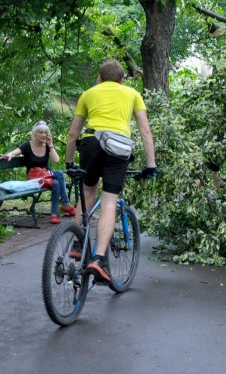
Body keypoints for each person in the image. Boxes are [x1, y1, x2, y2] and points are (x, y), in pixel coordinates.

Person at [65, 60, 157, 283]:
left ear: (99, 77)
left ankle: (77, 243)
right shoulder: (132, 94)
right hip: (118, 147)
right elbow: (145, 132)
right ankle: (98, 259)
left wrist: (69, 164)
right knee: (108, 201)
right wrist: (151, 165)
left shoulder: (88, 94)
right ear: (122, 79)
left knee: (87, 192)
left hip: (91, 143)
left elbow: (73, 133)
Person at [0, 120, 76, 224]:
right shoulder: (27, 145)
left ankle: (54, 214)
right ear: (35, 133)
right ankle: (66, 204)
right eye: (41, 132)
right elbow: (14, 153)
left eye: (46, 133)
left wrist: (51, 144)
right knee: (59, 174)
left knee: (57, 183)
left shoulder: (47, 146)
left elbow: (56, 160)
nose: (44, 135)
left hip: (46, 175)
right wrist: (9, 155)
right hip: (34, 178)